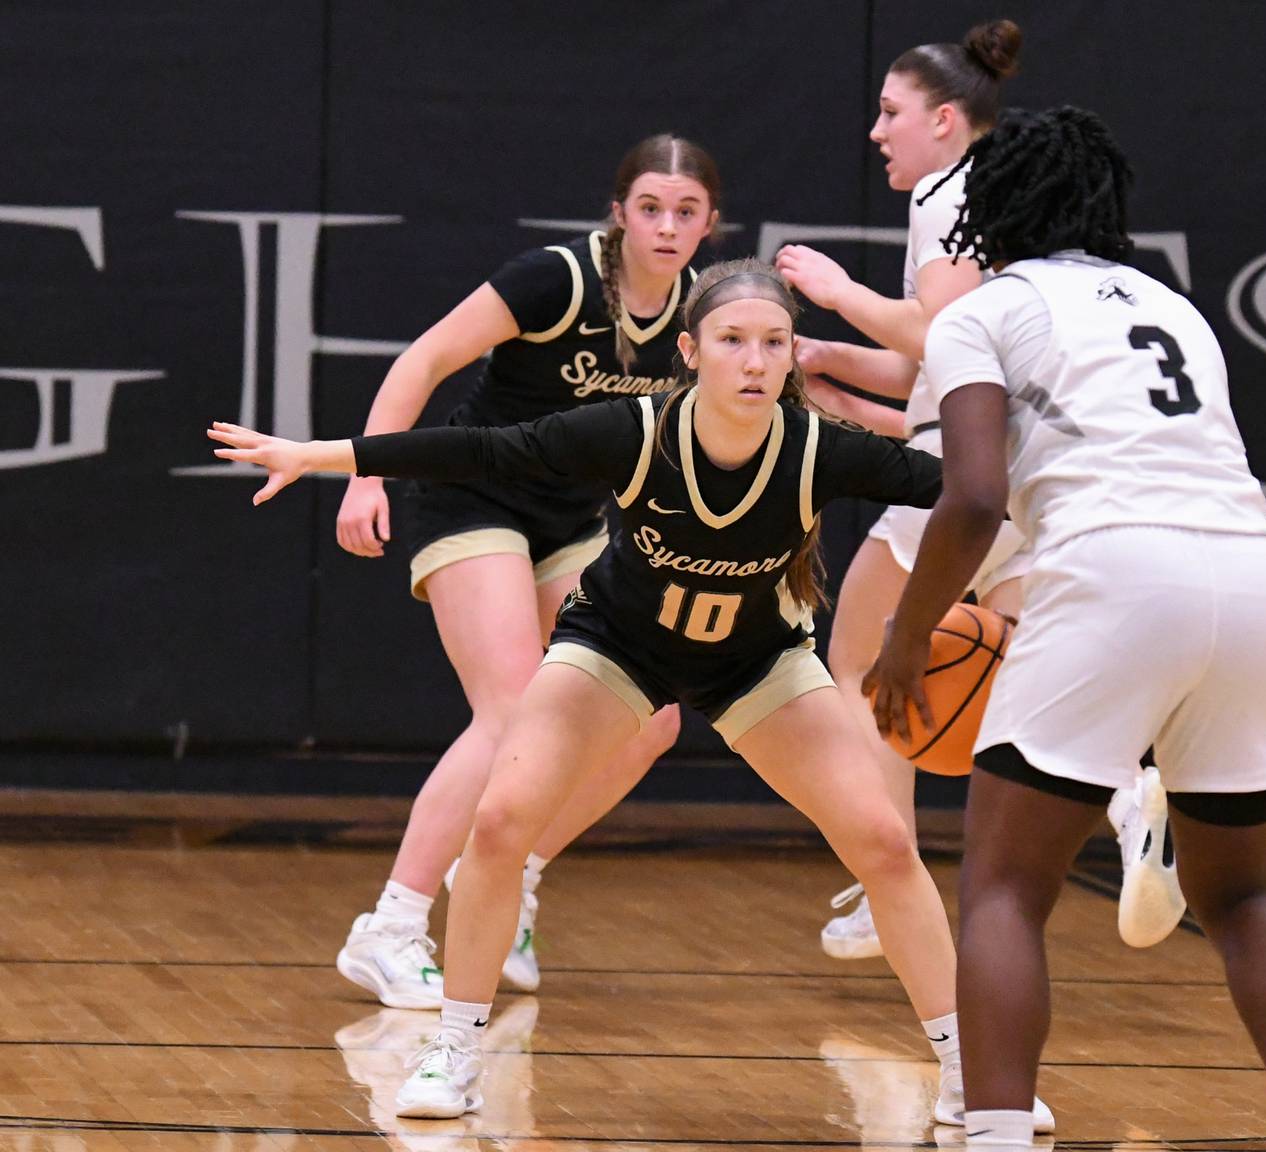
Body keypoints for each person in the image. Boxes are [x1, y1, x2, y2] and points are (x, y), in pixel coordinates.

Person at [207, 258, 1055, 1133]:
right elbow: (484, 450)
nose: (755, 361)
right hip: (617, 647)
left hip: (756, 660)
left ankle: (969, 1072)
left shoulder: (817, 448)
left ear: (793, 354)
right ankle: (455, 1047)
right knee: (501, 824)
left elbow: (971, 494)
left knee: (883, 840)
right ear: (692, 350)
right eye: (733, 341)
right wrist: (328, 455)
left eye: (773, 343)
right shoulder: (634, 430)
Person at [865, 107, 1266, 1152]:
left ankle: (997, 1136)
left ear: (988, 209)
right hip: (1253, 577)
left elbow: (971, 500)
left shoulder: (986, 309)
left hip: (1110, 569)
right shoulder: (1178, 312)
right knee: (1245, 896)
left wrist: (908, 637)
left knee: (1005, 887)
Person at [776, 23, 1183, 958]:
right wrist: (835, 363)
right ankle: (1129, 801)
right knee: (1017, 668)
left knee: (856, 659)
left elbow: (947, 334)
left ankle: (889, 878)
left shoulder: (943, 191)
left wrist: (837, 293)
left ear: (946, 120)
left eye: (891, 113)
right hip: (1024, 473)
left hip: (963, 478)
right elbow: (942, 358)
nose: (876, 132)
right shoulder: (1012, 206)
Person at [331, 134, 720, 1008]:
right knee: (511, 712)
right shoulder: (555, 278)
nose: (666, 227)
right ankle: (390, 925)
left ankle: (510, 872)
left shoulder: (703, 311)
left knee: (649, 718)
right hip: (476, 496)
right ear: (619, 213)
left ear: (709, 225)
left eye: (685, 212)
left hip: (574, 521)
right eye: (650, 208)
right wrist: (367, 473)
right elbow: (422, 359)